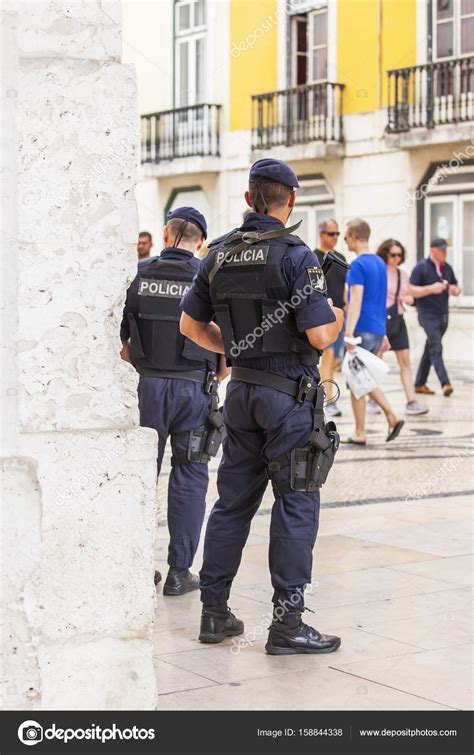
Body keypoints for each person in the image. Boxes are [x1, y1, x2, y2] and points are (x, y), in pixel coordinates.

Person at [180, 158, 344, 655]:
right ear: (289, 201)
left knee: (232, 503)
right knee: (296, 503)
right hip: (288, 396)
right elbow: (319, 334)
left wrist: (234, 348)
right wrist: (338, 314)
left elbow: (190, 327)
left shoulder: (219, 253)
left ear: (250, 199)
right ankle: (287, 623)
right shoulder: (298, 255)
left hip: (242, 395)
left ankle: (214, 614)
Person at [120, 207, 228, 596]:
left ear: (167, 234)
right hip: (194, 390)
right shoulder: (208, 278)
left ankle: (133, 565)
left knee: (138, 476)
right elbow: (227, 354)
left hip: (146, 389)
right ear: (200, 241)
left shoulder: (137, 274)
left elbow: (121, 344)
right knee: (190, 478)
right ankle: (180, 572)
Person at [344, 218, 404, 445]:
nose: (345, 241)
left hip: (361, 329)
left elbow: (356, 300)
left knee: (358, 379)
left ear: (354, 237)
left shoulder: (358, 265)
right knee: (362, 378)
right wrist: (384, 332)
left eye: (346, 237)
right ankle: (369, 426)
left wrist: (349, 332)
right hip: (377, 329)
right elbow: (381, 300)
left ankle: (384, 419)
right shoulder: (380, 263)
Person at [376, 239, 428, 416]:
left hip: (398, 320)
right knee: (376, 361)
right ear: (385, 254)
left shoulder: (402, 275)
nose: (396, 258)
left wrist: (408, 299)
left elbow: (409, 297)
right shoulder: (379, 271)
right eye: (393, 254)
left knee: (405, 363)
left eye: (399, 254)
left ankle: (411, 400)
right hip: (381, 321)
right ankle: (371, 400)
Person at [410, 238, 461, 397]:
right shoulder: (421, 267)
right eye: (441, 249)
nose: (445, 252)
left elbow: (456, 286)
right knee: (436, 347)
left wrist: (455, 290)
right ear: (432, 250)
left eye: (446, 249)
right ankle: (445, 383)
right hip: (427, 314)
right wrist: (431, 289)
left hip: (443, 314)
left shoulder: (447, 268)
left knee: (431, 347)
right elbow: (411, 290)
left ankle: (419, 383)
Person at [315, 218, 347, 418]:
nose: (335, 238)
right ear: (322, 234)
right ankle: (328, 399)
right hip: (321, 316)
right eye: (331, 234)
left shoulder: (342, 258)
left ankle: (323, 393)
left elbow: (345, 290)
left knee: (335, 359)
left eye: (337, 234)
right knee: (327, 358)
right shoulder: (313, 257)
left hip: (339, 315)